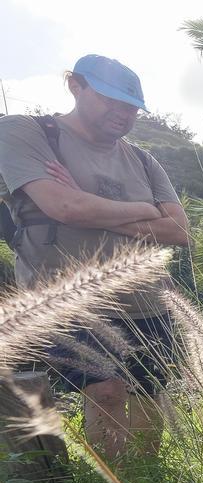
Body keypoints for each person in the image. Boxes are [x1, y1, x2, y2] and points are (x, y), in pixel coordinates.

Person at [0, 54, 189, 461]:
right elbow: (63, 207)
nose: (123, 113)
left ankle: (145, 481)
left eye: (132, 107)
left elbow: (179, 231)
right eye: (111, 100)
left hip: (148, 302)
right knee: (106, 392)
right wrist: (146, 210)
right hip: (68, 300)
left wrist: (91, 204)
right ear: (76, 86)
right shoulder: (27, 131)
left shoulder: (143, 160)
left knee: (148, 396)